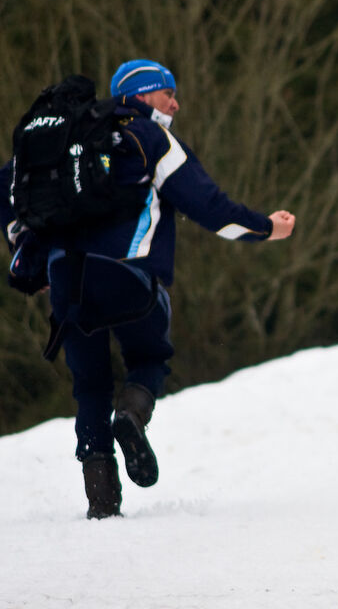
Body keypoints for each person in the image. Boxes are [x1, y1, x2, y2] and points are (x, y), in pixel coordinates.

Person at [0, 59, 296, 519]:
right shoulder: (148, 136)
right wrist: (266, 228)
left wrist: (27, 252)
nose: (175, 104)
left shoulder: (66, 136)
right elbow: (210, 207)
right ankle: (132, 415)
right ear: (141, 94)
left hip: (66, 277)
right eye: (167, 93)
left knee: (90, 385)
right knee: (150, 354)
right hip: (127, 277)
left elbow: (8, 185)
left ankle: (101, 500)